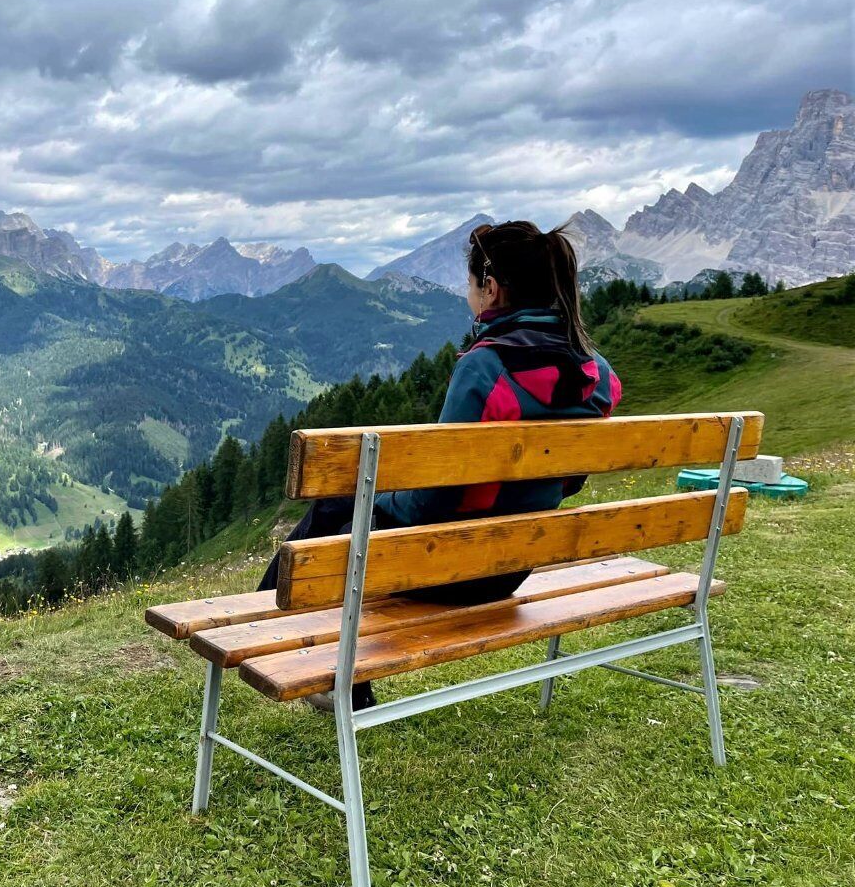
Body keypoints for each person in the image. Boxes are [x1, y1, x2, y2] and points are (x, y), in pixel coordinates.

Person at [258, 220, 623, 711]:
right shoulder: (597, 372)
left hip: (449, 566)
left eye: (470, 282)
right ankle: (292, 639)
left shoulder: (485, 367)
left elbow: (431, 502)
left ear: (490, 289)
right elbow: (570, 482)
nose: (466, 291)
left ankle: (264, 625)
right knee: (343, 512)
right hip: (514, 564)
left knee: (341, 522)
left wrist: (381, 497)